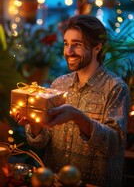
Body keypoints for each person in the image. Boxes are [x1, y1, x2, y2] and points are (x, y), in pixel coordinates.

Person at [12, 15, 130, 187]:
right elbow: (41, 141)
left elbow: (114, 144)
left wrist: (78, 117)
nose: (68, 51)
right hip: (53, 182)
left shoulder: (116, 88)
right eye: (66, 44)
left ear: (97, 48)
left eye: (77, 44)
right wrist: (34, 122)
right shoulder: (59, 84)